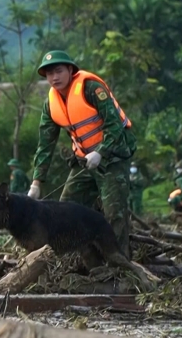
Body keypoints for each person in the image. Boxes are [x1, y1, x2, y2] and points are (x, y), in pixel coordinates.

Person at [27, 50, 137, 254]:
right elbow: (45, 144)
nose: (54, 77)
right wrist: (37, 182)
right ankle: (86, 260)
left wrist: (101, 152)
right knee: (65, 210)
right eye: (49, 74)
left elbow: (115, 125)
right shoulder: (50, 104)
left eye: (59, 71)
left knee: (114, 213)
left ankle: (120, 266)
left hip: (112, 157)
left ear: (70, 70)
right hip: (84, 161)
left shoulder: (91, 88)